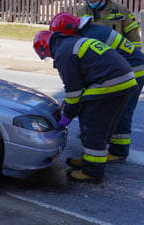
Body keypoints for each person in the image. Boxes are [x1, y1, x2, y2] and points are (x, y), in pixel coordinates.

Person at [33, 30, 137, 182]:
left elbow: (73, 90)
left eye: (47, 57)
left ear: (45, 48)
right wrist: (70, 103)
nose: (50, 58)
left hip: (108, 84)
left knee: (92, 127)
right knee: (104, 127)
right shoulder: (71, 42)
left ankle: (92, 172)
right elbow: (83, 78)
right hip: (123, 81)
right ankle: (90, 160)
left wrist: (67, 115)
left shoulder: (63, 53)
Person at [49, 12, 144, 161]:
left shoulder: (90, 36)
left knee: (122, 111)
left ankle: (118, 151)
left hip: (134, 70)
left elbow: (96, 68)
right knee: (114, 109)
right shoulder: (90, 31)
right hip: (129, 68)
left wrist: (73, 101)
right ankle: (103, 145)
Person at [75, 0, 142, 48]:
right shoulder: (82, 12)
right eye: (89, 0)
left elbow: (132, 34)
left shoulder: (120, 10)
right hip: (92, 53)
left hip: (116, 53)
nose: (92, 2)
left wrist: (135, 54)